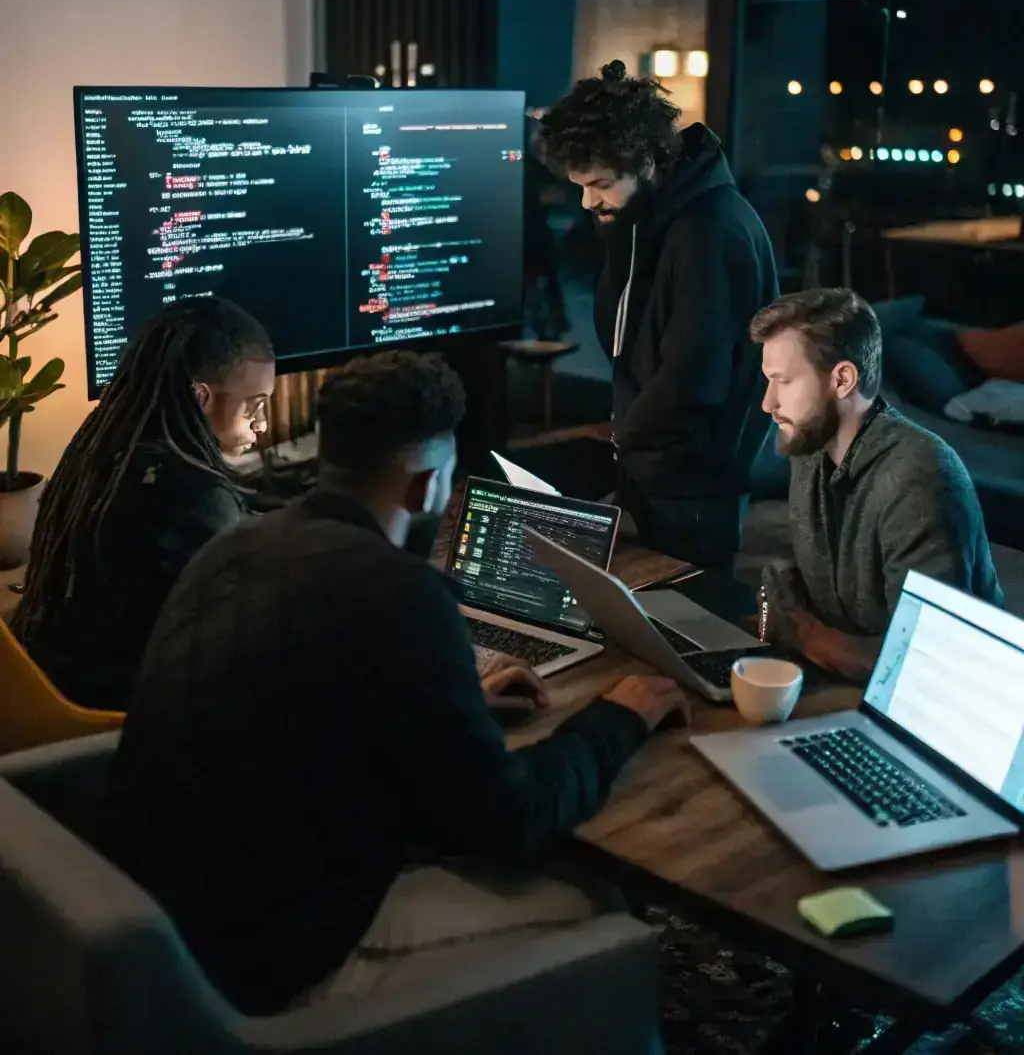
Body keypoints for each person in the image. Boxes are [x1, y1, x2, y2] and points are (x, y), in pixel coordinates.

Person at [98, 349, 687, 1015]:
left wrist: (458, 703)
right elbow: (513, 822)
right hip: (263, 968)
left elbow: (310, 698)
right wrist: (618, 716)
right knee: (596, 905)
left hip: (162, 924)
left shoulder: (234, 545)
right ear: (428, 485)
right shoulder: (402, 592)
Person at [537, 60, 778, 568]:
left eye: (599, 182)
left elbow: (695, 379)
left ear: (645, 158)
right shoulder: (643, 218)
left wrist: (629, 445)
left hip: (692, 489)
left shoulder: (708, 231)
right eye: (579, 185)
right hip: (658, 473)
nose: (586, 201)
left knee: (684, 629)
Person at [10, 297, 275, 709]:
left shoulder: (100, 447)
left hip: (56, 689)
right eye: (254, 406)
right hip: (118, 722)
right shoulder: (195, 497)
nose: (262, 425)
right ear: (201, 396)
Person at [751, 287, 1004, 681]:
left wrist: (810, 638)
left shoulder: (918, 477)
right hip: (845, 688)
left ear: (843, 379)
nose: (768, 403)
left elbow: (930, 657)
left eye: (783, 381)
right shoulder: (811, 449)